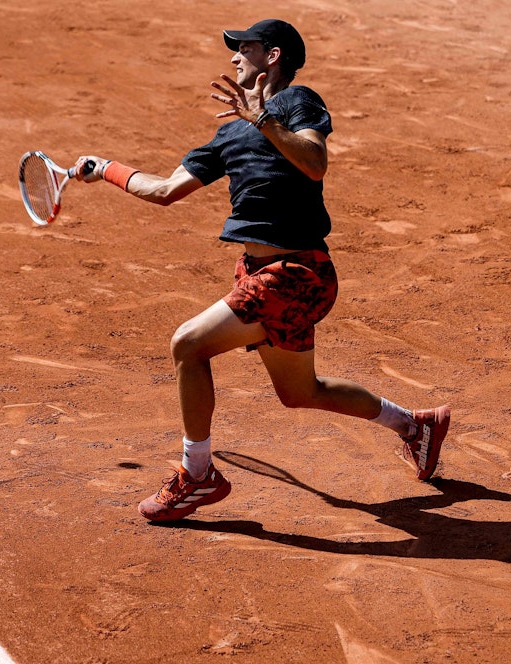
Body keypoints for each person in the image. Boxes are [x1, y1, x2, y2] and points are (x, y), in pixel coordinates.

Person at [72, 19, 450, 522]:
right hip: (257, 273)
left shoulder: (297, 102)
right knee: (300, 393)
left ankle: (197, 475)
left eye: (243, 48)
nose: (233, 58)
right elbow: (163, 190)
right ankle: (413, 426)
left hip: (297, 273)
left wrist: (265, 122)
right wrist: (107, 168)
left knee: (188, 343)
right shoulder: (228, 132)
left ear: (272, 56)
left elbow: (315, 163)